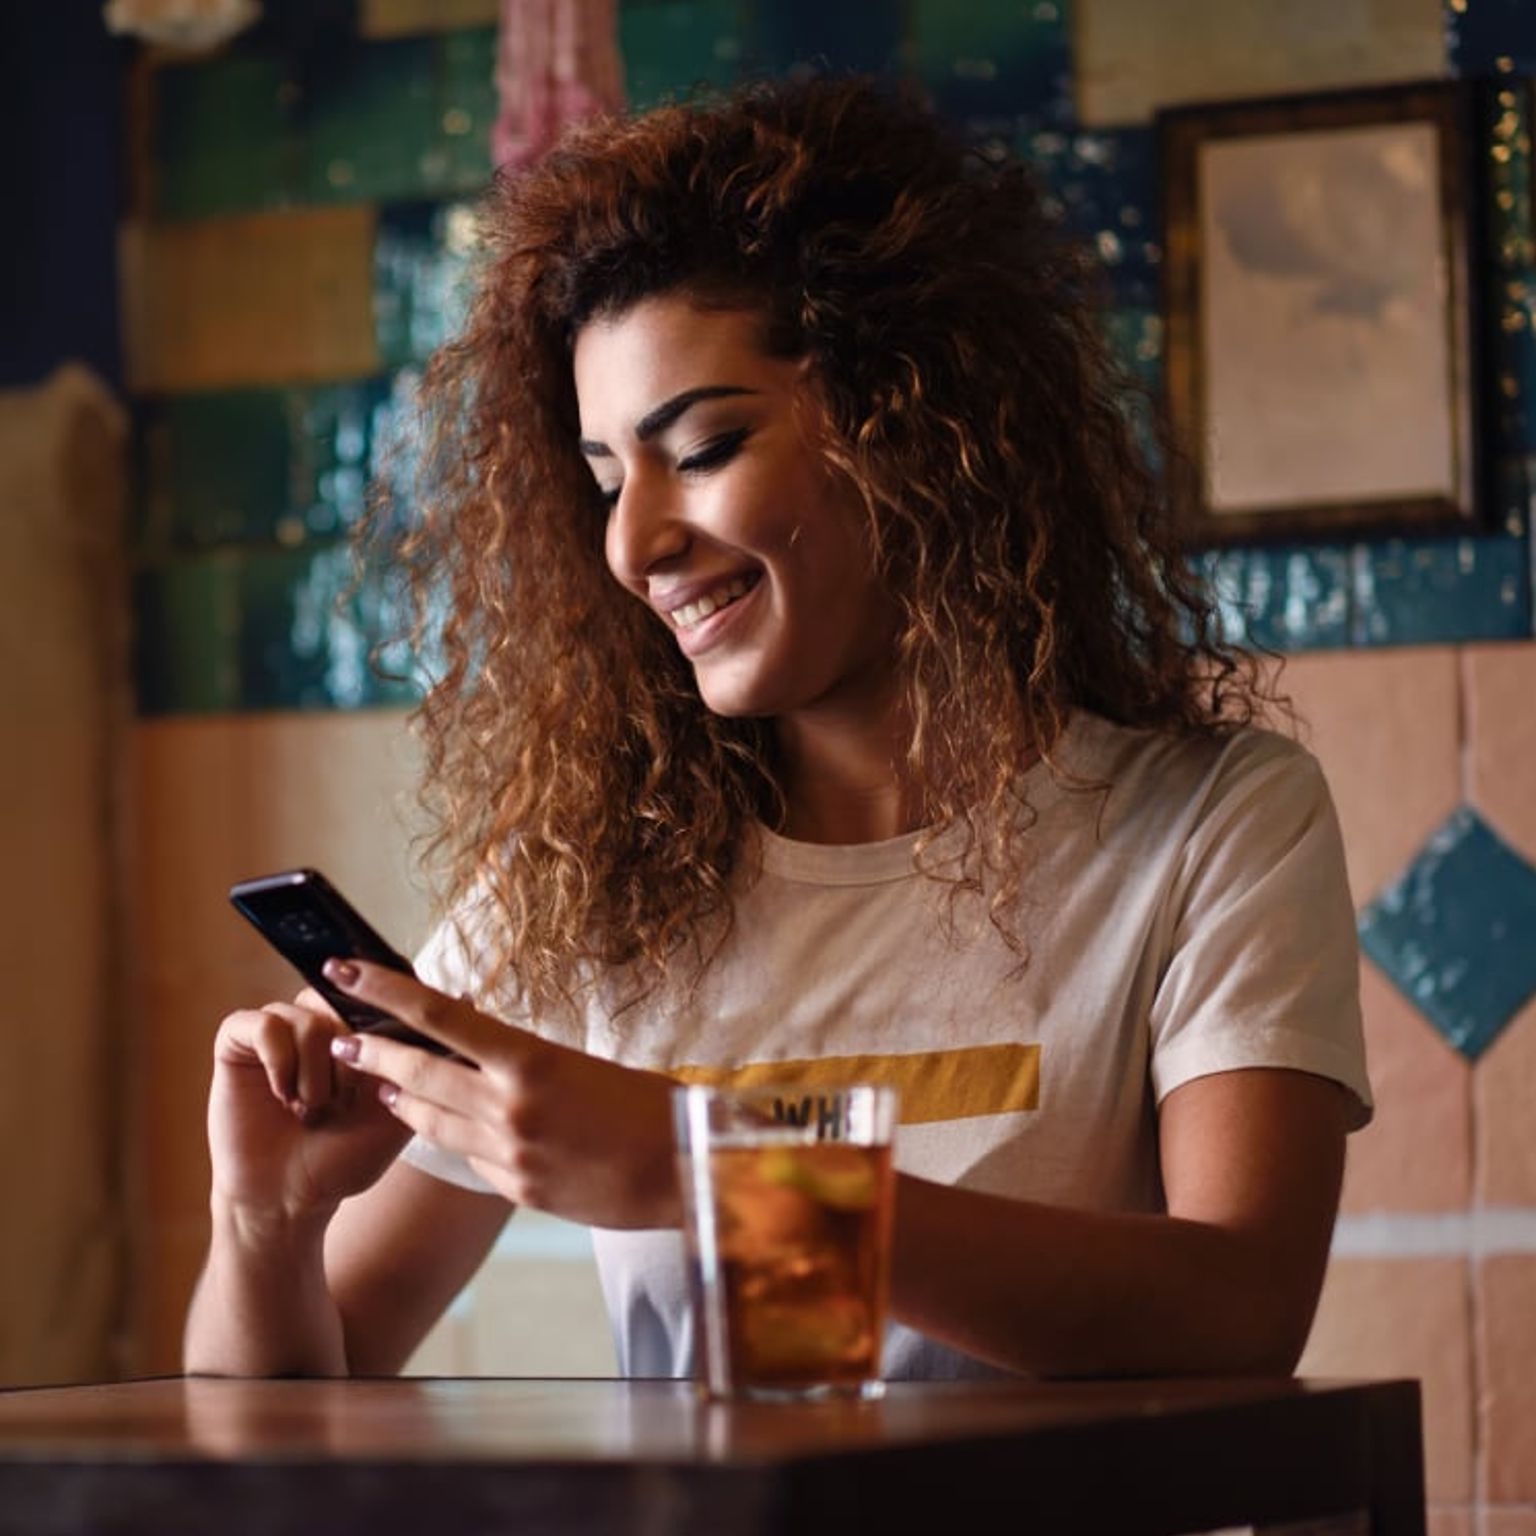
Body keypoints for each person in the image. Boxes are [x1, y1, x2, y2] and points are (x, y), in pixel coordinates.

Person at [184, 74, 1371, 1382]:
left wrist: (701, 1169)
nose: (634, 546)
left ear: (914, 428)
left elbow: (1242, 1310)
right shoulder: (585, 888)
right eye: (603, 483)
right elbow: (286, 1411)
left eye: (700, 449)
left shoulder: (1212, 825)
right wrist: (265, 1225)